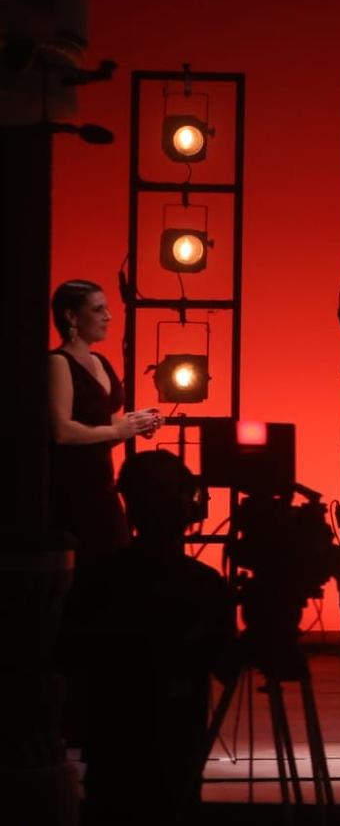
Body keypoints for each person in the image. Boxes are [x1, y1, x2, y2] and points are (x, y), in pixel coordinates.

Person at [61, 449, 238, 822]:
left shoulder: (95, 579)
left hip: (110, 753)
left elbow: (67, 657)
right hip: (177, 754)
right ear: (186, 509)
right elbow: (228, 666)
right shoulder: (203, 586)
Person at [48, 280, 162, 559]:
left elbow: (109, 430)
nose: (108, 316)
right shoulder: (58, 363)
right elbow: (61, 431)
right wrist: (116, 429)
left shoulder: (100, 361)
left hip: (102, 487)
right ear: (72, 317)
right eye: (98, 309)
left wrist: (134, 425)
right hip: (72, 490)